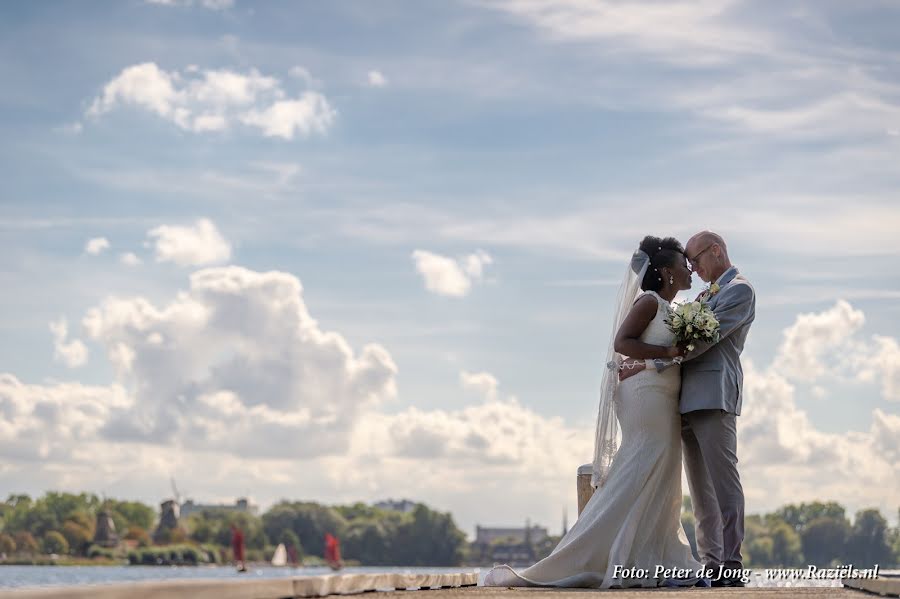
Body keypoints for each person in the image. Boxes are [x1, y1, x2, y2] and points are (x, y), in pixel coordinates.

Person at [483, 236, 703, 589]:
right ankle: (586, 555)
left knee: (662, 473)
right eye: (683, 264)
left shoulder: (676, 310)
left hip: (664, 395)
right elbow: (622, 343)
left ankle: (649, 558)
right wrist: (667, 352)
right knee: (639, 467)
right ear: (666, 271)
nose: (689, 269)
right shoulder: (648, 302)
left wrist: (677, 351)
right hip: (645, 395)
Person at [619, 231, 755, 587]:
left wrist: (652, 363)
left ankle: (731, 561)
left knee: (724, 483)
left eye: (695, 259)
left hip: (713, 396)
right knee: (700, 490)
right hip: (684, 400)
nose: (692, 267)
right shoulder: (702, 295)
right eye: (688, 262)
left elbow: (705, 338)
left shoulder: (740, 290)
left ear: (717, 251)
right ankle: (711, 562)